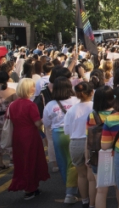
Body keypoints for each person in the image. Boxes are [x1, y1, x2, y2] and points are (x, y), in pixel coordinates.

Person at [8, 78, 50, 200]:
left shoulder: (13, 105)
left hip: (18, 135)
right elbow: (37, 123)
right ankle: (30, 188)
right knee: (32, 160)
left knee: (22, 161)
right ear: (28, 89)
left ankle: (30, 187)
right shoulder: (30, 105)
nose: (34, 88)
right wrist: (44, 120)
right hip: (30, 135)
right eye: (32, 86)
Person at [42, 76, 80, 204]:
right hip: (74, 132)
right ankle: (73, 189)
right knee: (74, 162)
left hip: (58, 134)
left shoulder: (50, 105)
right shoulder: (76, 100)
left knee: (63, 162)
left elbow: (46, 122)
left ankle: (68, 187)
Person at [64, 82, 94, 208]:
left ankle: (85, 201)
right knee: (91, 177)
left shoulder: (71, 110)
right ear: (91, 92)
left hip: (75, 142)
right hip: (91, 142)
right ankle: (93, 203)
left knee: (81, 175)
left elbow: (67, 130)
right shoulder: (94, 107)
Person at [86, 86, 115, 208]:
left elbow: (88, 138)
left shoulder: (92, 116)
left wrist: (87, 156)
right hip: (115, 153)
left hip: (97, 155)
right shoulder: (117, 114)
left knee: (101, 190)